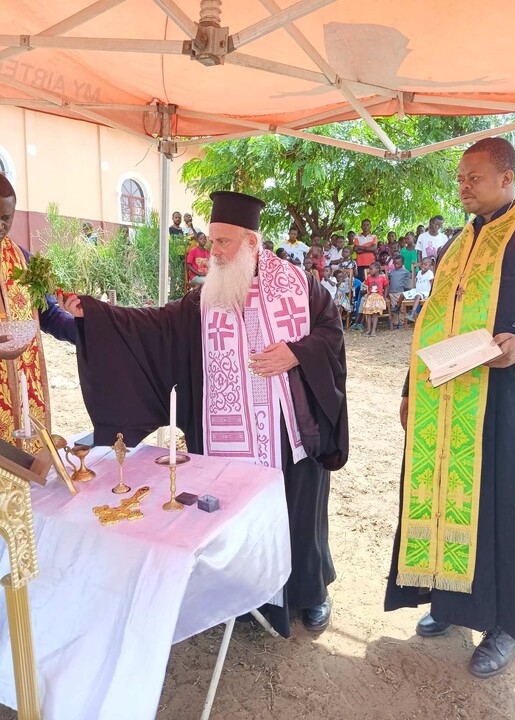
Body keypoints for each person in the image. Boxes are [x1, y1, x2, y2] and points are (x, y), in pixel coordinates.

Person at [62, 190, 348, 637]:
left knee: (297, 513)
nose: (213, 251)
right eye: (212, 240)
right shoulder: (206, 297)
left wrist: (297, 353)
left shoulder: (300, 285)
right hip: (229, 438)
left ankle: (310, 594)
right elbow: (156, 327)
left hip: (288, 429)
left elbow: (331, 333)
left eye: (224, 242)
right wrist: (96, 315)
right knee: (235, 515)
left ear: (251, 242)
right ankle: (244, 597)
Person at [385, 137, 515, 677]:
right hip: (445, 401)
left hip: (506, 399)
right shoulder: (457, 241)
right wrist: (410, 388)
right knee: (446, 501)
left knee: (502, 506)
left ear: (507, 176)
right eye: (459, 178)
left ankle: (507, 625)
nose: (463, 186)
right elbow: (432, 321)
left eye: (473, 177)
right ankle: (453, 604)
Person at [0, 175, 76, 443]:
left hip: (23, 389)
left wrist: (84, 326)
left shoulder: (23, 260)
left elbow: (48, 314)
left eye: (6, 218)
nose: (1, 225)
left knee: (24, 462)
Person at [392, 257, 434, 322]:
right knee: (402, 294)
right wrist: (413, 289)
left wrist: (430, 294)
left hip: (425, 292)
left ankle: (412, 313)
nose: (423, 266)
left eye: (425, 265)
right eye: (422, 264)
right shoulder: (419, 272)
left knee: (418, 296)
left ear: (430, 267)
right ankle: (397, 307)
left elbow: (432, 283)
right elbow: (416, 281)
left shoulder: (430, 273)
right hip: (416, 290)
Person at [361, 261, 388, 337]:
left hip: (378, 298)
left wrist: (385, 296)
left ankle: (373, 331)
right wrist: (364, 292)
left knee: (375, 314)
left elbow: (386, 286)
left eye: (371, 269)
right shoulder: (369, 278)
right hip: (370, 298)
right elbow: (365, 287)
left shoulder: (382, 278)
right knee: (368, 314)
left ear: (377, 269)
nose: (369, 271)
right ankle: (369, 330)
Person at [388, 256, 412, 328]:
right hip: (392, 292)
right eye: (395, 263)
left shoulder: (405, 272)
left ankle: (402, 322)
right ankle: (395, 322)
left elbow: (409, 280)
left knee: (401, 308)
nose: (396, 265)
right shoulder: (391, 272)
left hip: (400, 292)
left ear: (402, 263)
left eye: (398, 264)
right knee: (394, 308)